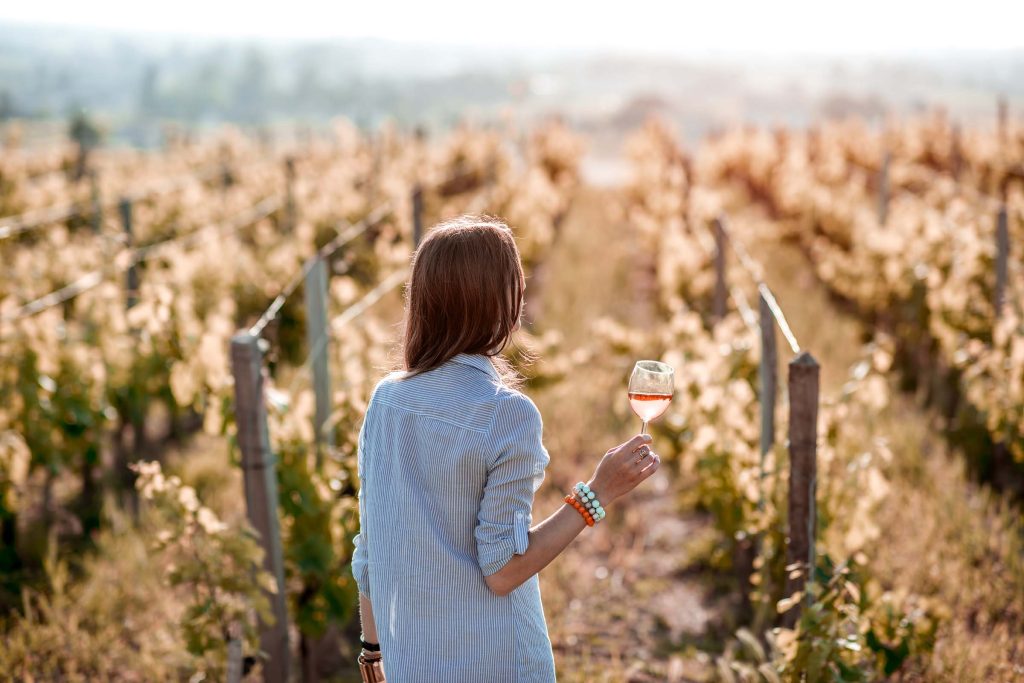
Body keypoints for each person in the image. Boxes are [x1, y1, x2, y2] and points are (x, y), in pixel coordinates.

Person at [351, 215, 660, 682]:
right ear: (504, 305)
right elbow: (503, 570)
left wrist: (373, 658)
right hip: (499, 665)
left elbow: (370, 552)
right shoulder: (508, 415)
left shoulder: (385, 403)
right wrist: (598, 493)